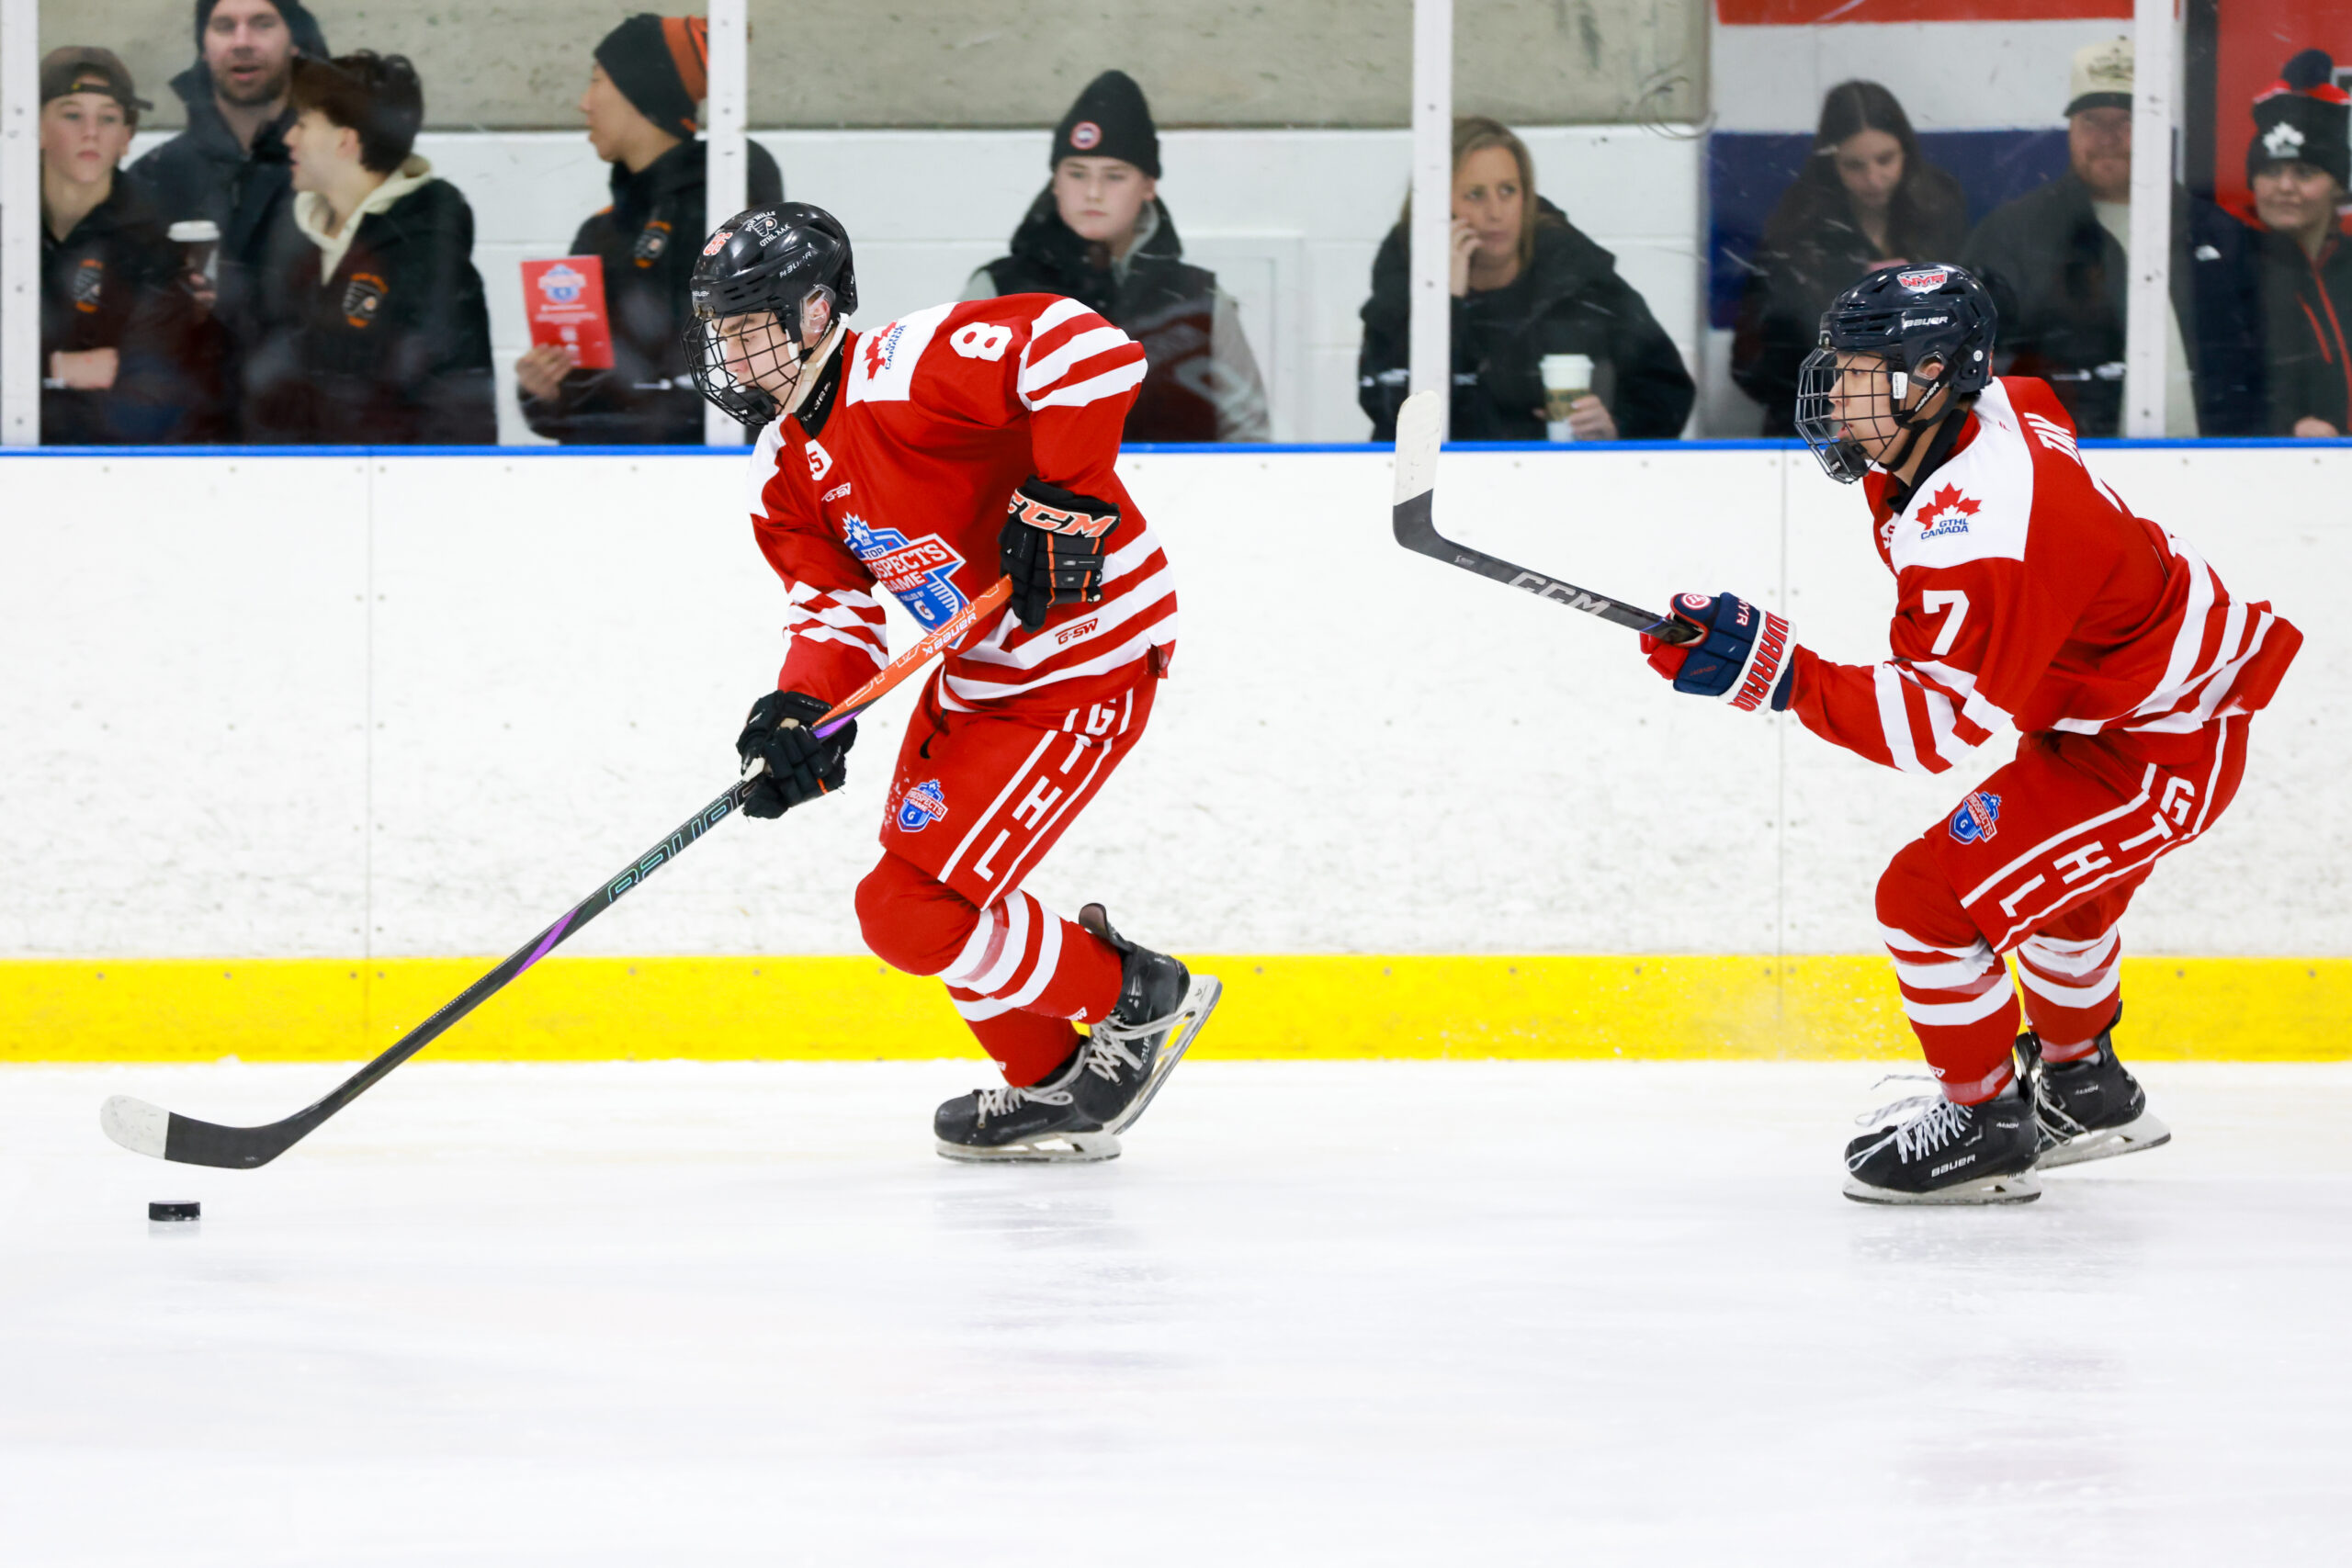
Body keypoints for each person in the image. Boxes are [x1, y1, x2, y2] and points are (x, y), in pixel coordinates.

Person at [1634, 263, 2299, 1204]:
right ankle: (2086, 1091)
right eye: (1840, 367)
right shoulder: (1996, 406)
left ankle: (1984, 1121)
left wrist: (1776, 674)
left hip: (2163, 742)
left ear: (1936, 376)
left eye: (1861, 372)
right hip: (2116, 714)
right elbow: (2033, 443)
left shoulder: (1980, 530)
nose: (1836, 394)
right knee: (2063, 908)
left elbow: (1933, 728)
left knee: (1927, 901)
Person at [684, 202, 1220, 1160]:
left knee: (913, 914)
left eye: (749, 325)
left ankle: (1135, 995)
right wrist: (802, 711)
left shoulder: (905, 364)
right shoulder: (783, 467)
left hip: (1084, 656)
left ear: (816, 311)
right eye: (720, 330)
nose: (730, 353)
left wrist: (1065, 497)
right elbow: (833, 610)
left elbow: (1088, 349)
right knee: (910, 903)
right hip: (981, 671)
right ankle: (1057, 1083)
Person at [1960, 37, 2265, 437]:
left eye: (2126, 120)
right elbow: (1973, 363)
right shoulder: (2013, 234)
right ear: (2071, 130)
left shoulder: (2218, 234)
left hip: (2229, 464)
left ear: (2158, 128)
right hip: (2072, 463)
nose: (2108, 138)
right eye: (2092, 121)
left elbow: (2263, 366)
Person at [515, 13, 783, 445]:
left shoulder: (727, 199)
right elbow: (578, 404)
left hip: (707, 470)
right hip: (604, 472)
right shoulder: (598, 233)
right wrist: (544, 390)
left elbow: (751, 363)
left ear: (638, 92)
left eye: (597, 81)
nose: (584, 103)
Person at [963, 70, 1269, 443]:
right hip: (1028, 485)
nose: (1093, 192)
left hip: (1179, 483)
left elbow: (1250, 438)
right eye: (1077, 174)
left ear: (1148, 186)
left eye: (1114, 176)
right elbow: (955, 421)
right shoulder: (997, 293)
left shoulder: (1199, 299)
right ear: (1056, 182)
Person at [1358, 116, 1693, 442]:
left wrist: (1618, 426)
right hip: (1443, 478)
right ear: (1438, 209)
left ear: (1526, 197)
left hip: (1560, 477)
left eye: (1508, 191)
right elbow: (1393, 414)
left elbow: (1667, 388)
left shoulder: (1574, 279)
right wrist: (1445, 301)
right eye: (1475, 195)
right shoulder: (1402, 290)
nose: (1496, 212)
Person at [237, 51, 495, 445]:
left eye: (302, 124)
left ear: (345, 141)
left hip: (390, 478)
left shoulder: (426, 251)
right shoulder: (296, 239)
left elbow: (455, 406)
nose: (289, 138)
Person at [1732, 81, 1967, 436]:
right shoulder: (1798, 228)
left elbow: (1969, 323)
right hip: (1821, 422)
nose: (1874, 179)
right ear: (1832, 165)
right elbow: (1755, 358)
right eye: (1854, 166)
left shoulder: (1940, 212)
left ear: (1906, 151)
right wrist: (1832, 389)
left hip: (1930, 416)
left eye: (1885, 160)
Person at [38, 48, 225, 445]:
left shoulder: (155, 245)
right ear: (36, 128)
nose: (91, 132)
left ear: (126, 137)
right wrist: (57, 369)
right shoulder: (12, 226)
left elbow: (146, 399)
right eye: (72, 115)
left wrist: (28, 379)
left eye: (108, 118)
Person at [128, 0, 329, 336]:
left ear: (295, 41)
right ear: (203, 49)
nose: (242, 42)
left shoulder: (337, 171)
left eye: (262, 24)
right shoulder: (156, 175)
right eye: (224, 27)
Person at [2245, 51, 2352, 437]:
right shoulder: (2234, 267)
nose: (2285, 187)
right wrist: (2287, 428)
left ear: (2337, 185)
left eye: (2304, 173)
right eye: (2271, 171)